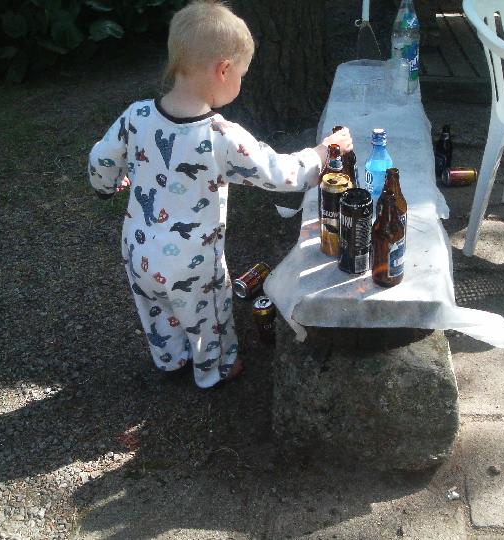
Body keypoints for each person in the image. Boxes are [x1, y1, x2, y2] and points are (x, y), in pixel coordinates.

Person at [88, 0, 353, 388]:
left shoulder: (137, 115)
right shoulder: (220, 136)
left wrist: (108, 185)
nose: (241, 82)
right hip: (193, 262)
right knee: (208, 314)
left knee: (155, 309)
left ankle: (170, 359)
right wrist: (323, 152)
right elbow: (280, 173)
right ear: (224, 69)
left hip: (138, 248)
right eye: (242, 74)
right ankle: (216, 369)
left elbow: (101, 159)